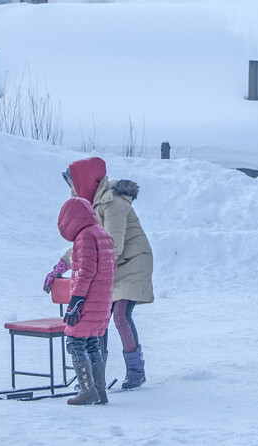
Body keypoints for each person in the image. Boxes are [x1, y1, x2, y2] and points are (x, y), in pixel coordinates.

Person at [45, 156, 155, 390]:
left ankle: (136, 370)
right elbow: (84, 245)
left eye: (73, 184)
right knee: (100, 319)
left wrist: (90, 269)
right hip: (110, 264)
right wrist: (61, 265)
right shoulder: (90, 206)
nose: (72, 191)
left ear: (84, 181)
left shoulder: (113, 204)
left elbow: (112, 245)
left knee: (120, 315)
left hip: (132, 263)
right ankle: (97, 375)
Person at [57, 196, 116, 406]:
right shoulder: (103, 234)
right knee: (92, 342)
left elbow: (86, 272)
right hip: (102, 301)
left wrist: (76, 300)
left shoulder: (84, 237)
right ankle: (100, 390)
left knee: (75, 343)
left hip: (87, 300)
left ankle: (86, 389)